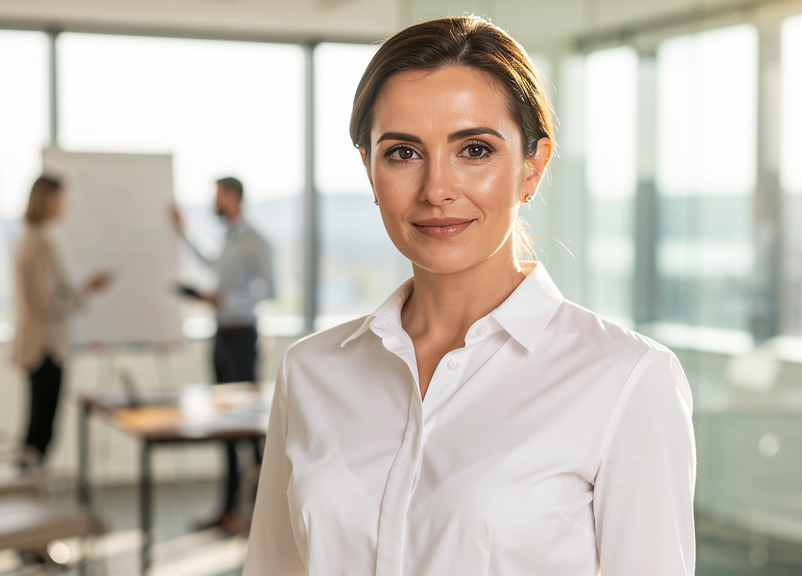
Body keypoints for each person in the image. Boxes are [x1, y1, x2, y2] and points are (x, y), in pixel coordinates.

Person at [243, 16, 696, 576]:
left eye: (475, 150)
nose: (437, 189)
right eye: (403, 153)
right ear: (369, 170)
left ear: (533, 167)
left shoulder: (626, 379)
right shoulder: (310, 371)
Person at [173, 176, 276, 533]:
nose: (214, 204)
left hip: (243, 338)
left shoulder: (256, 240)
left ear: (234, 197)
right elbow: (211, 264)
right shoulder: (229, 239)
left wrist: (227, 300)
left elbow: (269, 289)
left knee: (248, 430)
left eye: (217, 197)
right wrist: (183, 232)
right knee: (224, 427)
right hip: (221, 335)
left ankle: (260, 516)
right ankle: (228, 509)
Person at [11, 175, 111, 467]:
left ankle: (28, 492)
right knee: (41, 431)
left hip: (39, 345)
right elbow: (47, 303)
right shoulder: (39, 242)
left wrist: (79, 290)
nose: (64, 206)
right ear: (48, 201)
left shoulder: (31, 238)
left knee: (38, 427)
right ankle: (29, 494)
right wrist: (83, 294)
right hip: (45, 347)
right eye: (61, 199)